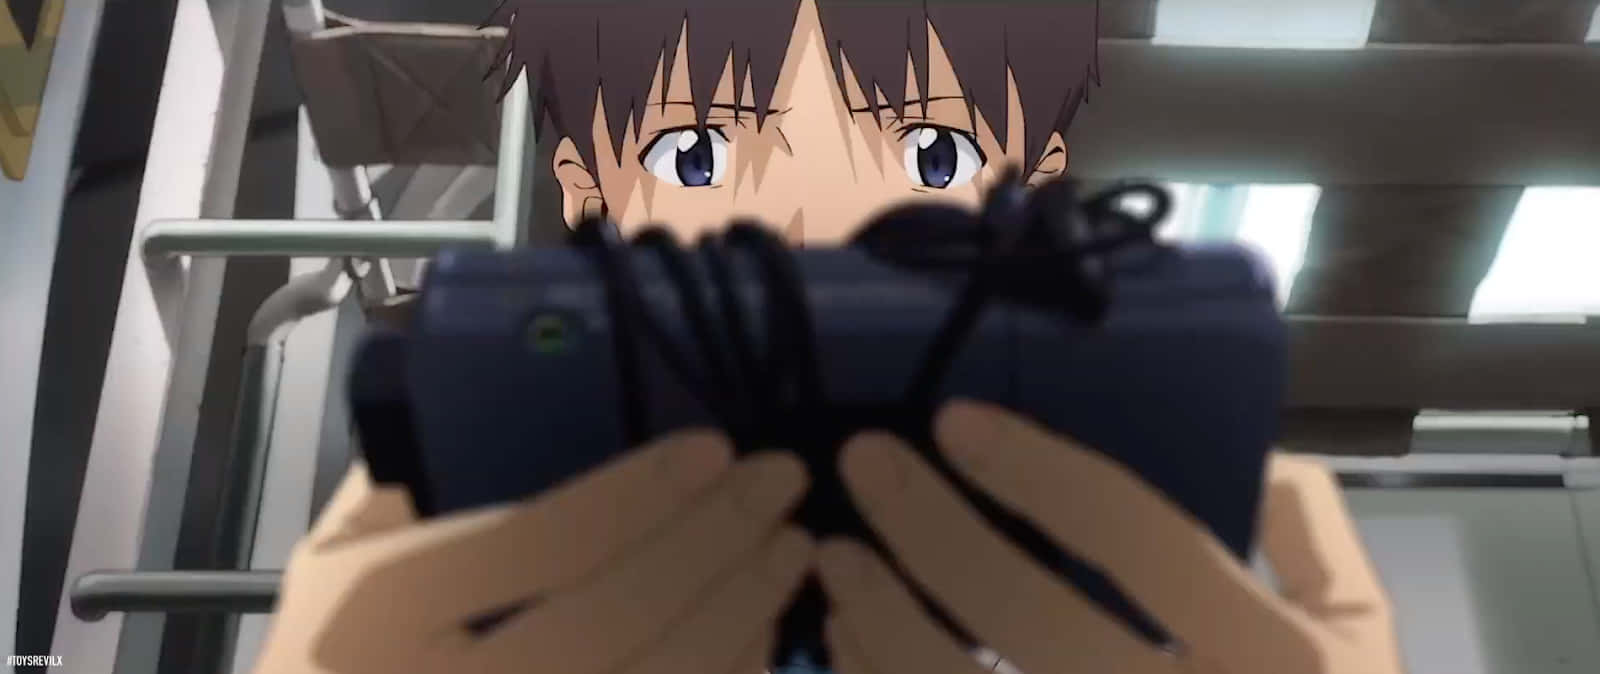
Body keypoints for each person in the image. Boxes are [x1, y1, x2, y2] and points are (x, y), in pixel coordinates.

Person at [252, 2, 1406, 673]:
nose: (807, 227)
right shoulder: (491, 553)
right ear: (588, 184)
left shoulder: (1106, 571)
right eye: (696, 153)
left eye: (932, 153)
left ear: (1029, 196)